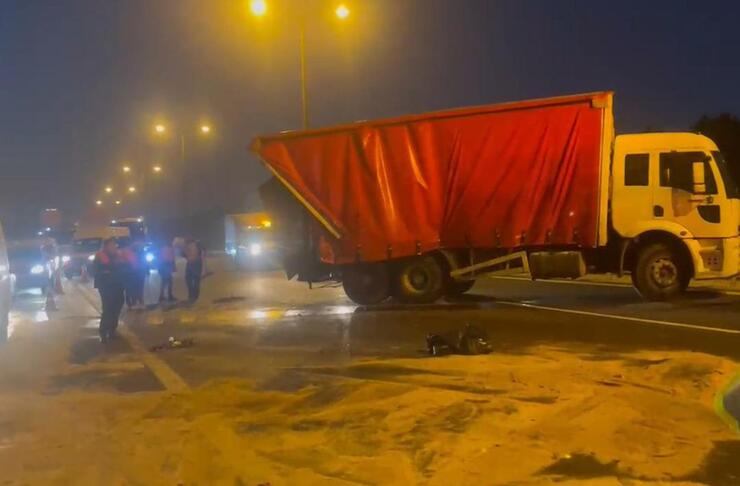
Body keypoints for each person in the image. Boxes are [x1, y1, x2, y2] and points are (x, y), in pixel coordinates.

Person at [93, 238, 125, 343]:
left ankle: (112, 330)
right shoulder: (100, 256)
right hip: (106, 286)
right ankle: (103, 331)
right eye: (111, 245)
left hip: (118, 285)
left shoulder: (117, 255)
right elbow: (95, 270)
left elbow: (123, 267)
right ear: (106, 246)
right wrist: (107, 272)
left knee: (118, 306)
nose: (114, 247)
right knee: (108, 308)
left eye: (114, 245)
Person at [184, 238, 205, 303]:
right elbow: (201, 255)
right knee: (195, 281)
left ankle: (192, 296)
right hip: (196, 263)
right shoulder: (196, 246)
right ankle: (194, 297)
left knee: (191, 280)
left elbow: (186, 254)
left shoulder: (189, 246)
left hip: (193, 263)